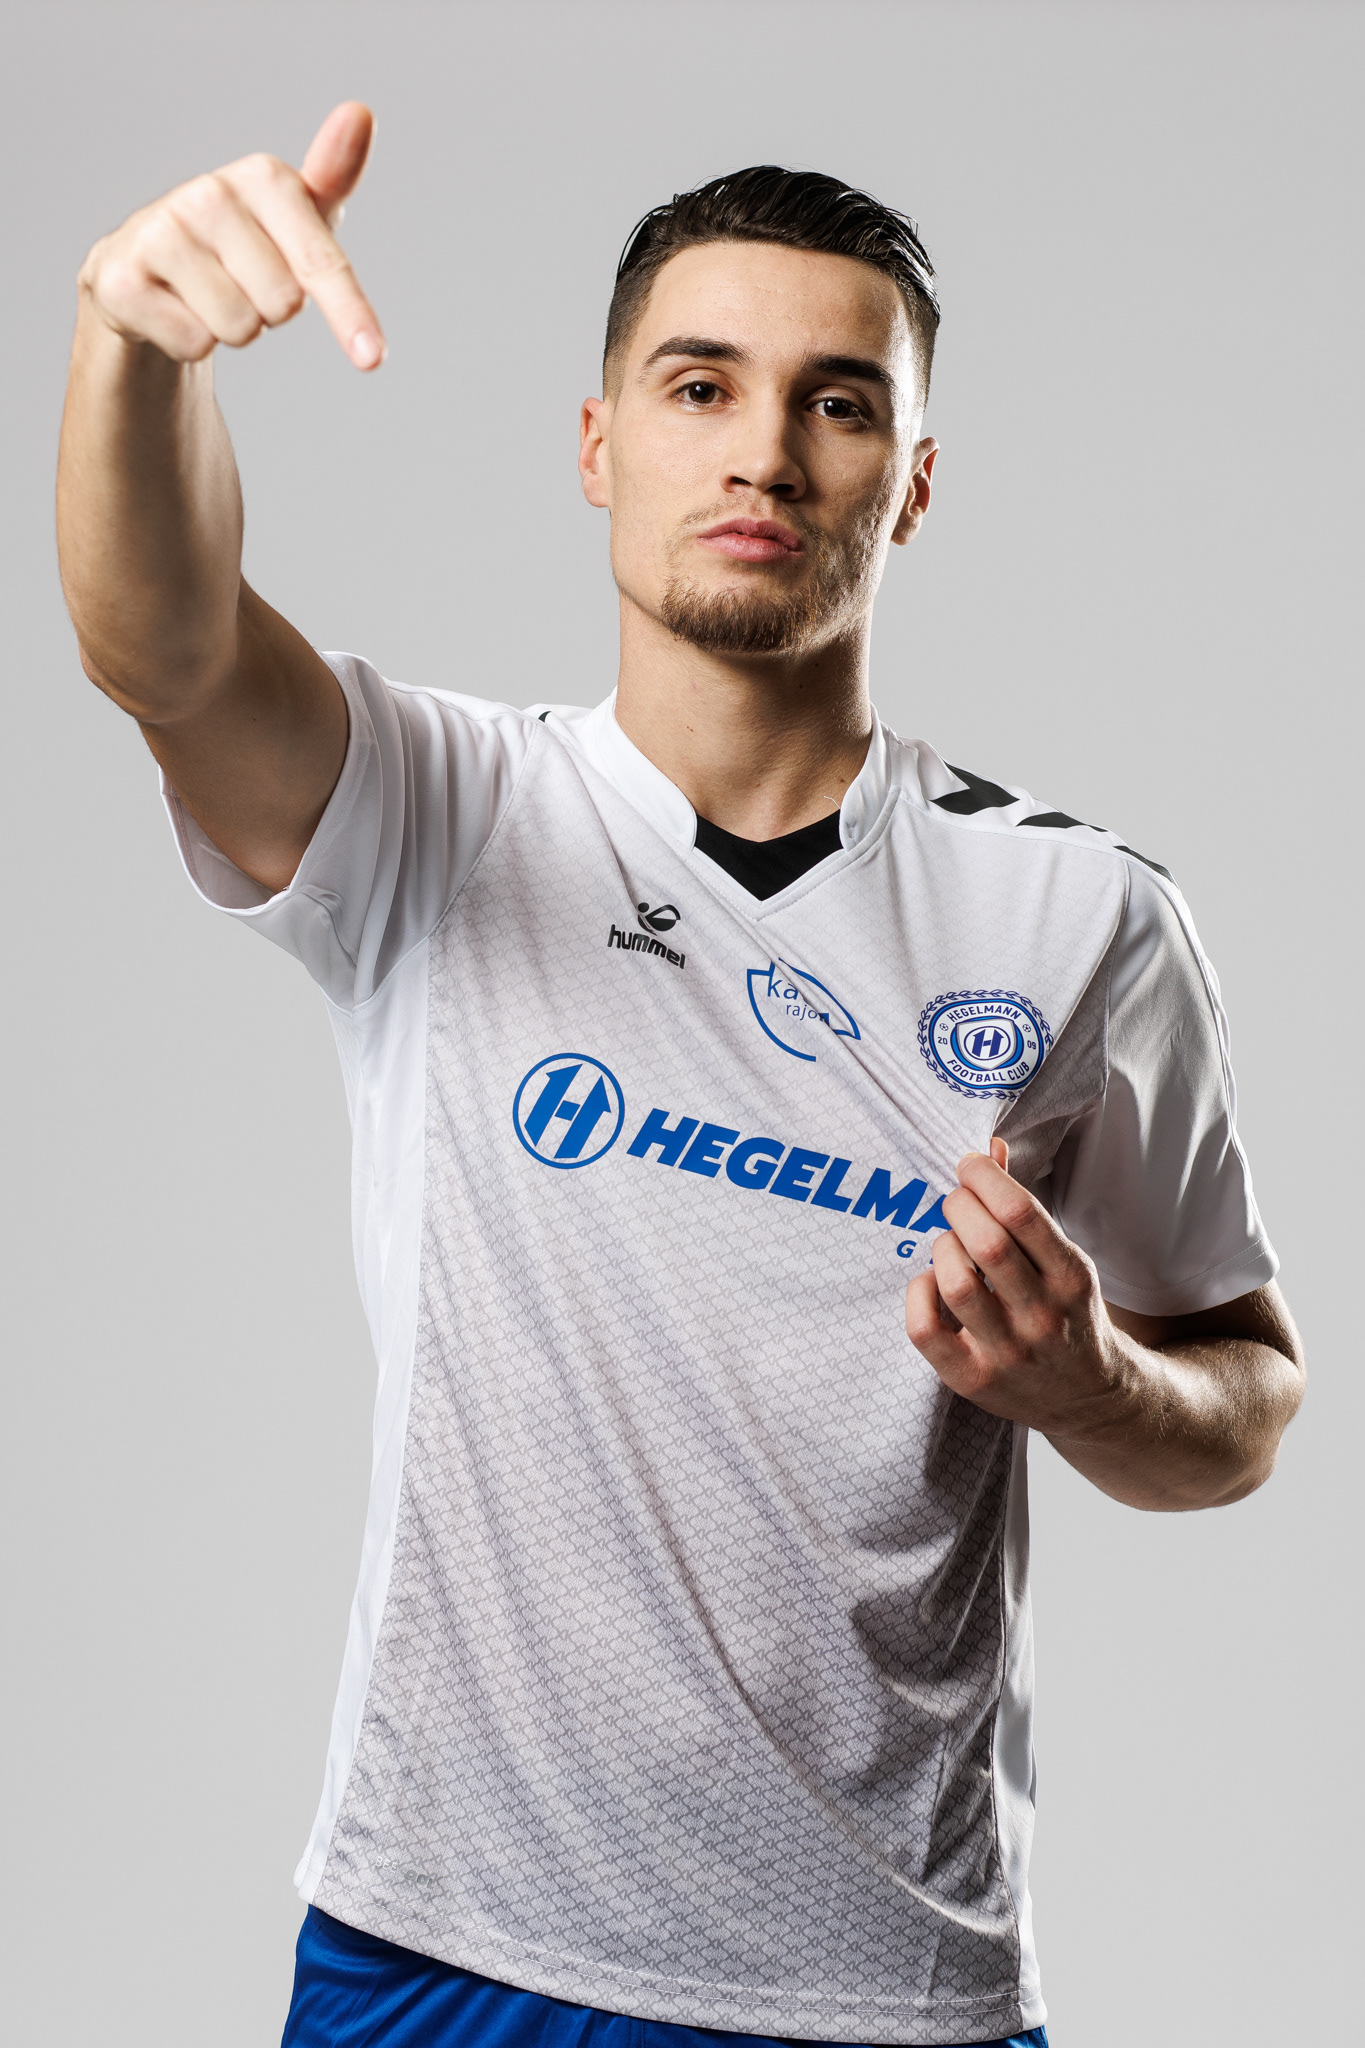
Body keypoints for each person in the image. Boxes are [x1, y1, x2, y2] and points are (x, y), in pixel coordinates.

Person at [57, 99, 1304, 2048]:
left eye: (837, 403)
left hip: (888, 1988)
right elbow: (170, 651)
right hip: (444, 1954)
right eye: (699, 384)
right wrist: (131, 351)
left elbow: (1241, 1397)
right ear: (597, 443)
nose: (762, 450)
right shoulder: (438, 811)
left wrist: (1088, 1381)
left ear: (909, 482)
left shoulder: (1078, 916)